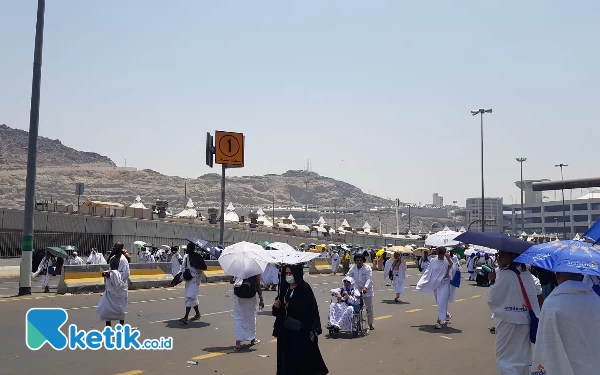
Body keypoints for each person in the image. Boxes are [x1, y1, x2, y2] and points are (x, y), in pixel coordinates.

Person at [531, 271, 600, 375]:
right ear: (582, 277)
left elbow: (545, 340)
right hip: (590, 364)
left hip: (559, 367)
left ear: (557, 276)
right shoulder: (596, 300)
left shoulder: (551, 302)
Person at [487, 250, 541, 375]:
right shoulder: (526, 273)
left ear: (513, 255)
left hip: (508, 321)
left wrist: (493, 281)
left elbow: (493, 299)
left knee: (505, 359)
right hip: (525, 320)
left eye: (502, 255)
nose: (498, 258)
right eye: (498, 255)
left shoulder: (502, 274)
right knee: (522, 358)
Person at [272, 264, 328, 375]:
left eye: (290, 273)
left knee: (302, 360)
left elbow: (312, 310)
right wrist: (276, 305)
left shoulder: (304, 288)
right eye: (286, 273)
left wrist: (314, 329)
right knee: (285, 359)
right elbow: (278, 313)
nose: (288, 276)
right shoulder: (283, 287)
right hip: (285, 331)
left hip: (300, 331)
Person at [416, 247, 453, 329]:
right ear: (437, 253)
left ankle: (438, 321)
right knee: (439, 302)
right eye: (439, 255)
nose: (440, 257)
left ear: (444, 253)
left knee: (441, 301)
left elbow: (452, 267)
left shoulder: (447, 260)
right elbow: (428, 272)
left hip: (445, 284)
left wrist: (448, 259)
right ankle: (445, 314)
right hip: (436, 285)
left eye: (442, 255)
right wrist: (423, 281)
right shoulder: (433, 261)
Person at [97, 243, 130, 327]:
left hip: (120, 288)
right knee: (107, 307)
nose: (114, 248)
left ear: (120, 248)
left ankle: (121, 326)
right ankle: (108, 326)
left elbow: (125, 274)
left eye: (116, 246)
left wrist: (111, 275)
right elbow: (111, 270)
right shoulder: (112, 258)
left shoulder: (123, 260)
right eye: (114, 246)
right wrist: (107, 274)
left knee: (119, 308)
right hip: (111, 287)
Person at [230, 274, 264, 349]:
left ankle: (238, 342)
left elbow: (231, 281)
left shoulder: (236, 266)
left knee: (238, 317)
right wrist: (261, 298)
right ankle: (252, 339)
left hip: (238, 294)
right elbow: (258, 284)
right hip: (250, 295)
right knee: (251, 317)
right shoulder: (255, 268)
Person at [347, 254, 375, 330]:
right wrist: (347, 282)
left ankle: (370, 323)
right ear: (355, 261)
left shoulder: (367, 268)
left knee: (369, 308)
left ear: (363, 261)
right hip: (357, 290)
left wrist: (365, 287)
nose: (359, 261)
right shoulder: (353, 268)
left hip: (367, 290)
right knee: (357, 307)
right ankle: (358, 323)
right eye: (357, 260)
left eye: (361, 260)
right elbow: (348, 276)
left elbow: (369, 279)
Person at [179, 243, 204, 324]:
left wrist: (196, 265)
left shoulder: (197, 257)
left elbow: (203, 267)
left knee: (190, 296)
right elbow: (183, 268)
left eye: (188, 247)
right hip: (188, 279)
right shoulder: (186, 256)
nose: (187, 249)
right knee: (192, 297)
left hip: (194, 280)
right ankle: (197, 314)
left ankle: (186, 317)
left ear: (192, 248)